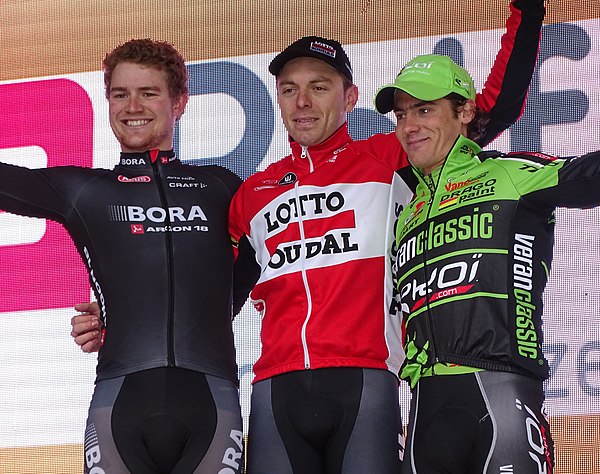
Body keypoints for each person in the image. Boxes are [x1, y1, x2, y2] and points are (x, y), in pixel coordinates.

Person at [226, 1, 545, 472]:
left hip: (367, 382)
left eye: (319, 87)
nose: (303, 102)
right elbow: (212, 295)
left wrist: (528, 10)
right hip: (276, 388)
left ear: (350, 97)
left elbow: (491, 107)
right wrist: (116, 318)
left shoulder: (391, 156)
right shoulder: (253, 191)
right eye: (289, 89)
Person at [0, 39, 257, 473]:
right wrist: (127, 311)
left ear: (180, 102)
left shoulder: (223, 188)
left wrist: (158, 309)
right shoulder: (86, 191)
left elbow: (253, 271)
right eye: (120, 94)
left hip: (211, 406)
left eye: (148, 92)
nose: (132, 106)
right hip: (119, 405)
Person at [372, 51, 596, 472]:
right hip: (423, 411)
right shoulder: (405, 210)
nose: (409, 126)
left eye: (424, 110)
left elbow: (591, 176)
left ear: (465, 112)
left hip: (501, 395)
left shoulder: (509, 174)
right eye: (401, 115)